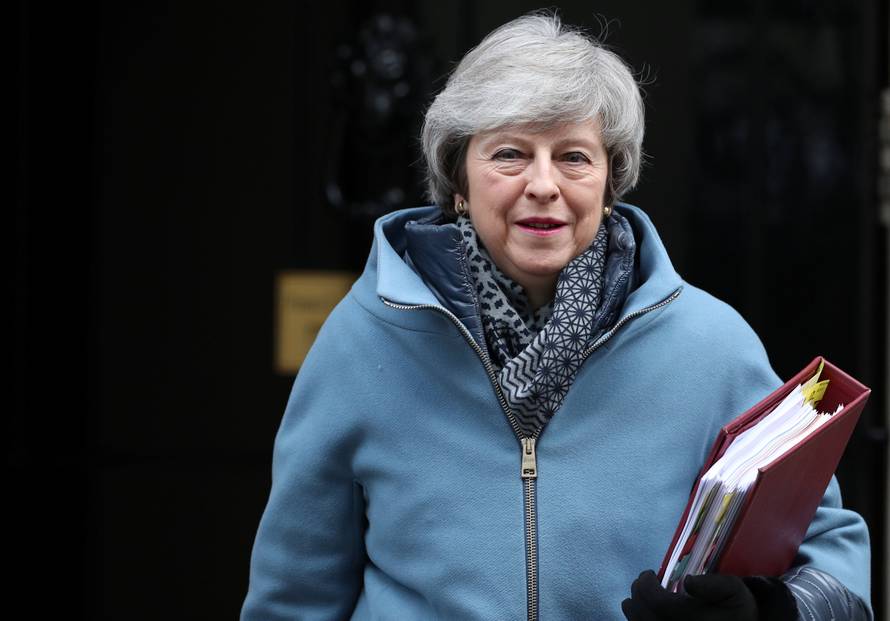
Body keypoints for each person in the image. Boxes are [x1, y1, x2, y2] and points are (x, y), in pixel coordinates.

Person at [241, 12, 872, 621]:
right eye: (510, 154)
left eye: (574, 156)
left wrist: (767, 609)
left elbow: (832, 554)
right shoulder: (363, 340)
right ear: (457, 181)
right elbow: (294, 596)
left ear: (609, 180)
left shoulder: (711, 345)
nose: (544, 184)